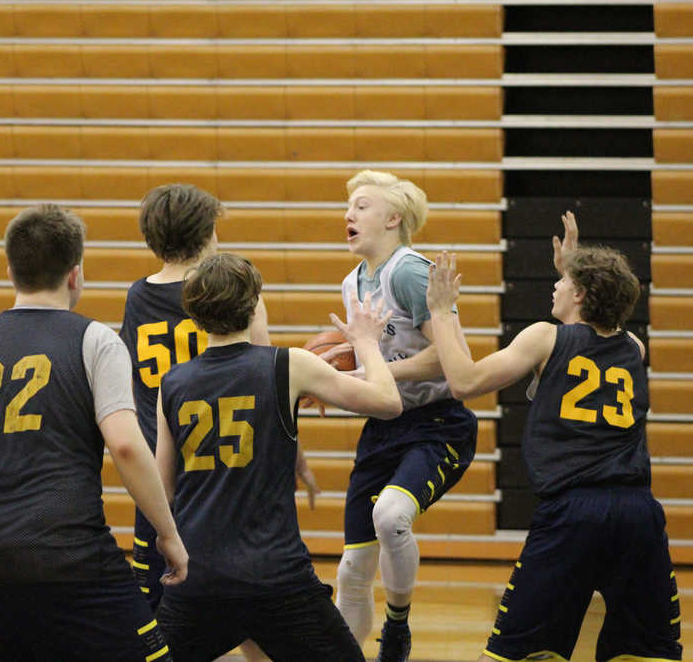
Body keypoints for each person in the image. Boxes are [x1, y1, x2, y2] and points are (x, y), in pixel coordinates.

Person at [0, 203, 188, 661]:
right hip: (68, 557)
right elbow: (126, 446)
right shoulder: (95, 340)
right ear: (75, 274)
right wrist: (168, 532)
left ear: (11, 270)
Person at [426, 213, 683, 662]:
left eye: (565, 283)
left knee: (520, 653)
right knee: (646, 654)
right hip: (637, 514)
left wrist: (441, 310)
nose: (556, 286)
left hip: (572, 513)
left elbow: (465, 381)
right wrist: (573, 268)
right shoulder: (634, 349)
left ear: (581, 294)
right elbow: (597, 324)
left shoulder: (545, 338)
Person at [155, 252, 403, 661]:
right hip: (275, 575)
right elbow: (388, 401)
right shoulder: (288, 365)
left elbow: (163, 488)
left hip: (201, 576)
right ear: (253, 306)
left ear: (193, 314)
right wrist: (365, 343)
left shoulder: (173, 382)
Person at [119, 183, 319, 614]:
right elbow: (269, 386)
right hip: (226, 465)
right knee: (250, 598)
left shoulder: (137, 297)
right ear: (208, 235)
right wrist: (298, 457)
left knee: (153, 604)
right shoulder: (229, 292)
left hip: (160, 474)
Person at [329, 170, 478, 662]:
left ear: (393, 218)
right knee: (350, 572)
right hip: (385, 427)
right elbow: (368, 357)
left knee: (391, 516)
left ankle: (397, 628)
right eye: (349, 206)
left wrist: (378, 367)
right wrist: (331, 374)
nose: (349, 214)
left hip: (438, 422)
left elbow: (453, 358)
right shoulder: (352, 283)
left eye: (363, 206)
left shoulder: (408, 272)